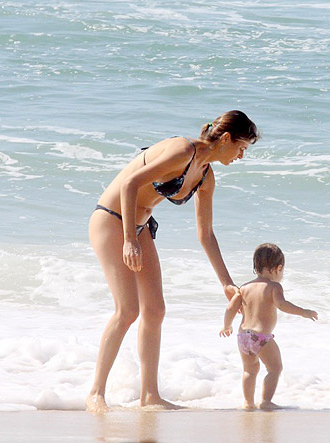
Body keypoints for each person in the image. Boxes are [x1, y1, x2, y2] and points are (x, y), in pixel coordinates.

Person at [86, 110, 260, 413]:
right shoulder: (182, 150)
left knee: (155, 310)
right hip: (111, 220)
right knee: (127, 310)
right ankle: (96, 393)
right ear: (227, 139)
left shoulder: (206, 176)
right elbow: (129, 184)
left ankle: (149, 395)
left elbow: (205, 234)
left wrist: (227, 284)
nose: (241, 156)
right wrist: (128, 239)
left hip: (139, 227)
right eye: (242, 148)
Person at [219, 243, 318, 410]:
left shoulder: (244, 288)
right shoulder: (274, 287)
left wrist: (227, 325)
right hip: (261, 337)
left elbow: (230, 308)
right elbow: (282, 304)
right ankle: (266, 401)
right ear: (278, 268)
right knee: (275, 368)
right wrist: (303, 312)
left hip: (243, 336)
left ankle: (248, 403)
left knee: (249, 370)